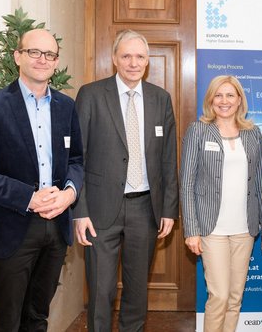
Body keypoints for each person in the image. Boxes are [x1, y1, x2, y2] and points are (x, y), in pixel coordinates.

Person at [0, 28, 83, 331]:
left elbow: (78, 160)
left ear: (56, 62)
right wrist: (28, 197)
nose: (43, 59)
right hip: (12, 229)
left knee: (37, 319)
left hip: (55, 230)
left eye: (50, 54)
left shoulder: (66, 107)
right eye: (34, 52)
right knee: (7, 323)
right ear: (18, 56)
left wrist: (69, 193)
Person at [74, 29, 178, 331]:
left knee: (137, 291)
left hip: (145, 209)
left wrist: (169, 209)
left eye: (140, 57)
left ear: (147, 62)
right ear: (115, 59)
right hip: (99, 210)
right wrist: (79, 212)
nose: (134, 63)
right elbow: (76, 158)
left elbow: (168, 158)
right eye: (127, 56)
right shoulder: (91, 94)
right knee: (101, 290)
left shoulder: (161, 99)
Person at [180, 75, 262, 332]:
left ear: (240, 100)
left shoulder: (252, 133)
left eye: (230, 95)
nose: (224, 101)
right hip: (212, 229)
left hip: (244, 229)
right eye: (219, 95)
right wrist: (192, 230)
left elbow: (261, 185)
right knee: (219, 296)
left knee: (234, 298)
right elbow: (186, 184)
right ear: (210, 99)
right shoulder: (198, 131)